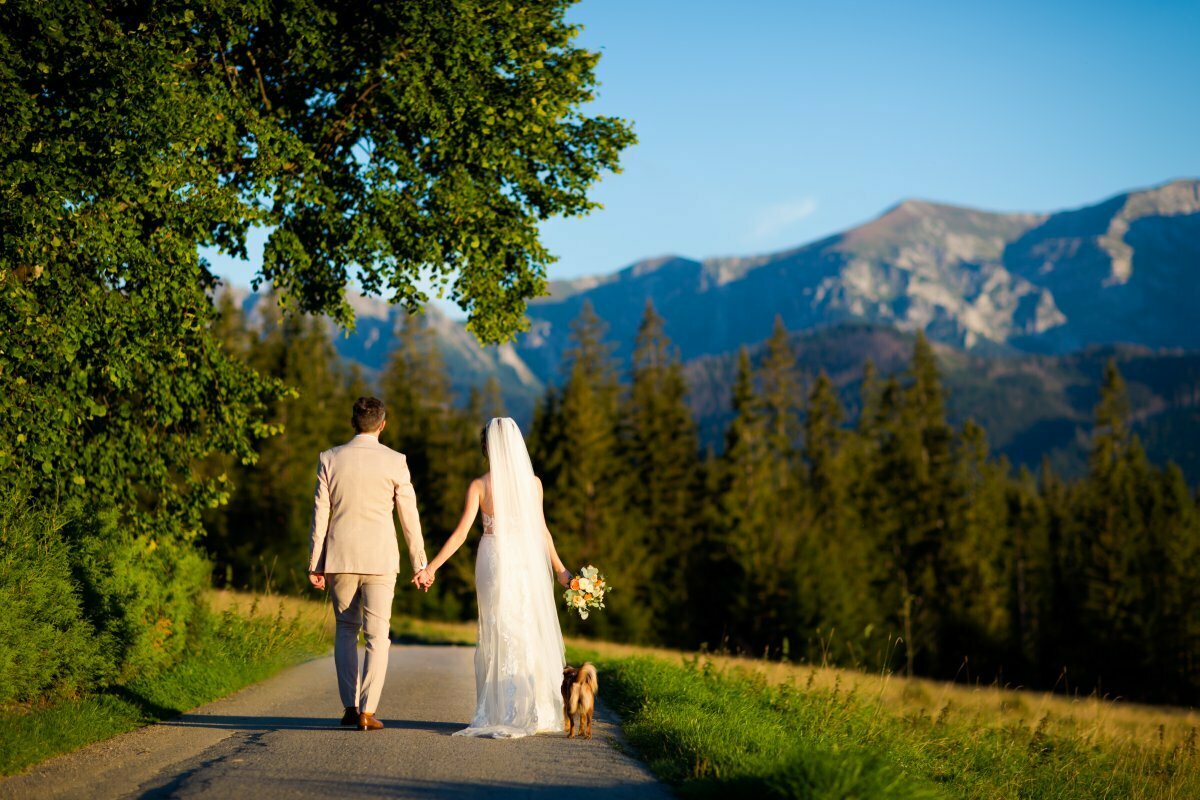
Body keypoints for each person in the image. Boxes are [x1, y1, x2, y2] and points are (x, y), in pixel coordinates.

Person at [415, 417, 572, 738]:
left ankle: (501, 709)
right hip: (524, 560)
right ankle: (531, 707)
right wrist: (560, 570)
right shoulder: (534, 484)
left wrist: (431, 567)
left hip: (492, 559)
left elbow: (460, 534)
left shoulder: (480, 485)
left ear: (486, 447)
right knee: (524, 627)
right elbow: (542, 531)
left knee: (498, 629)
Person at [308, 396, 431, 731]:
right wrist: (420, 563)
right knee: (378, 636)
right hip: (380, 560)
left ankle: (349, 707)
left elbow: (321, 514)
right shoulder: (396, 461)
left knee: (346, 630)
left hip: (340, 558)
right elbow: (409, 517)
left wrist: (315, 563)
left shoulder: (330, 458)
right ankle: (367, 711)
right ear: (382, 424)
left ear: (353, 422)